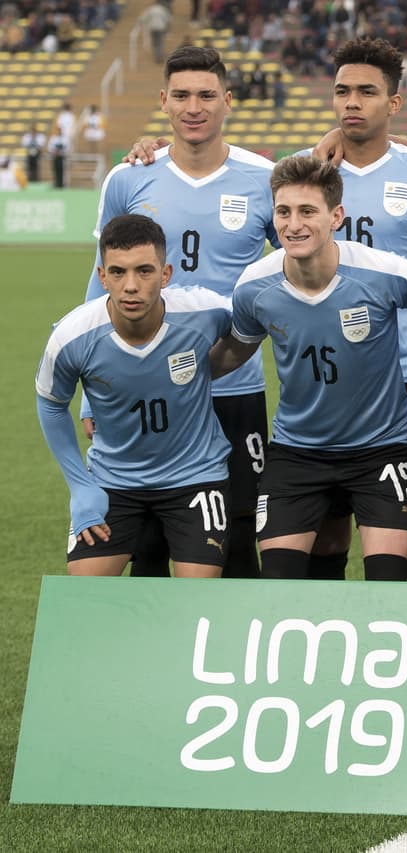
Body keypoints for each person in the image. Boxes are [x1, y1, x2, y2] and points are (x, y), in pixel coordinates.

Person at [211, 155, 407, 582]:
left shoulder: (382, 273)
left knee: (387, 581)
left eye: (307, 211)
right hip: (297, 452)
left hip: (381, 449)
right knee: (280, 583)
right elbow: (233, 352)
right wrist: (168, 375)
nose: (293, 224)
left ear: (335, 216)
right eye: (283, 212)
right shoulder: (254, 286)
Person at [85, 46, 277, 580]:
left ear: (228, 101)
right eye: (184, 95)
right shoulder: (128, 178)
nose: (196, 107)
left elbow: (293, 266)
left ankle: (233, 659)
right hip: (141, 382)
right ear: (164, 101)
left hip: (233, 384)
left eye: (208, 95)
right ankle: (152, 660)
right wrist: (88, 388)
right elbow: (95, 283)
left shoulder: (264, 177)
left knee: (240, 534)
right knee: (147, 539)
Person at [300, 37, 407, 581]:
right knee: (328, 522)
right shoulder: (311, 173)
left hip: (406, 373)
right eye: (343, 91)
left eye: (368, 92)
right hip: (323, 371)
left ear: (393, 103)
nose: (352, 102)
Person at [36, 215, 230, 579]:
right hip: (113, 482)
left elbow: (252, 321)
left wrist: (217, 365)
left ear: (166, 273)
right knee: (84, 597)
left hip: (195, 476)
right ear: (101, 276)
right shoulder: (72, 336)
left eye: (144, 271)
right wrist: (81, 487)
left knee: (199, 601)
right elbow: (50, 402)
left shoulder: (205, 311)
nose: (130, 286)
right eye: (118, 272)